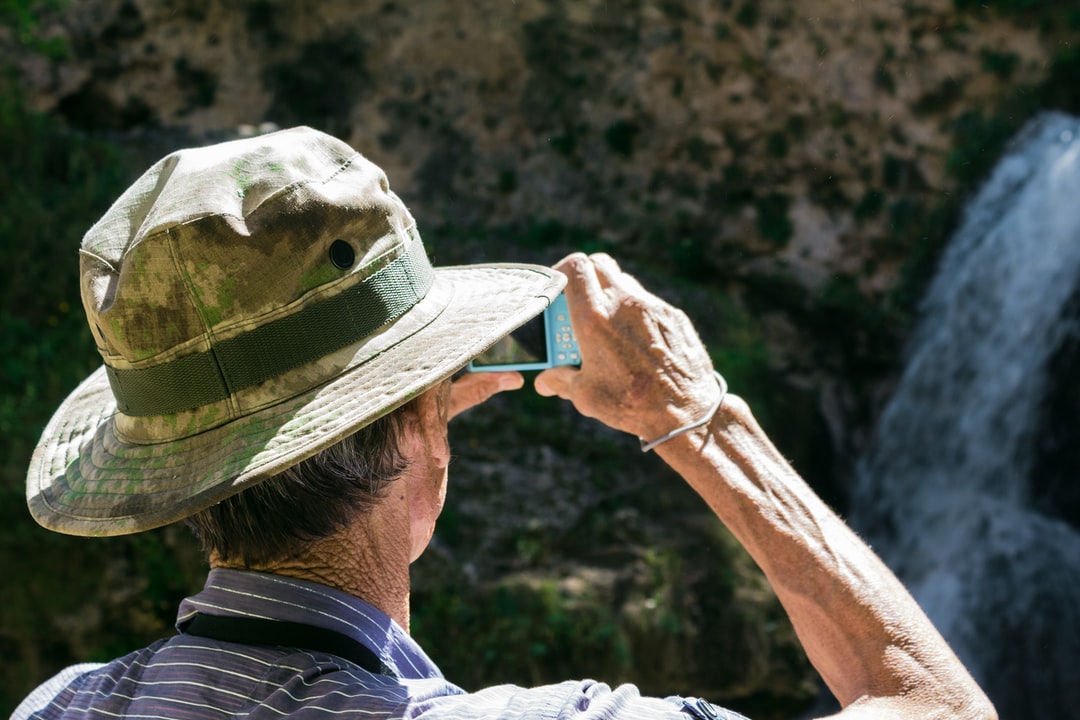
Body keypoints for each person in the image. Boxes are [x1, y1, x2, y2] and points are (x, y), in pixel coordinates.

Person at [15, 126, 995, 720]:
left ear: (181, 467)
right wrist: (695, 414)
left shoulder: (59, 704)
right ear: (422, 431)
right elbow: (940, 704)